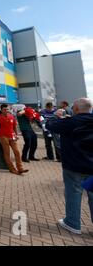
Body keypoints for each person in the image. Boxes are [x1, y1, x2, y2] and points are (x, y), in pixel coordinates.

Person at [46, 98, 93, 235]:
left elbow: (50, 125)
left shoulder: (71, 122)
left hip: (74, 166)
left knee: (73, 193)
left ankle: (73, 223)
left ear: (76, 109)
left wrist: (57, 115)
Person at [0, 104, 29, 175]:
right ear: (1, 110)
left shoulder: (11, 116)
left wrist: (16, 135)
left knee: (17, 152)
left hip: (12, 136)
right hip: (3, 137)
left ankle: (20, 168)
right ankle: (12, 169)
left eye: (7, 109)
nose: (6, 110)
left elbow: (14, 126)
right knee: (7, 153)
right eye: (4, 109)